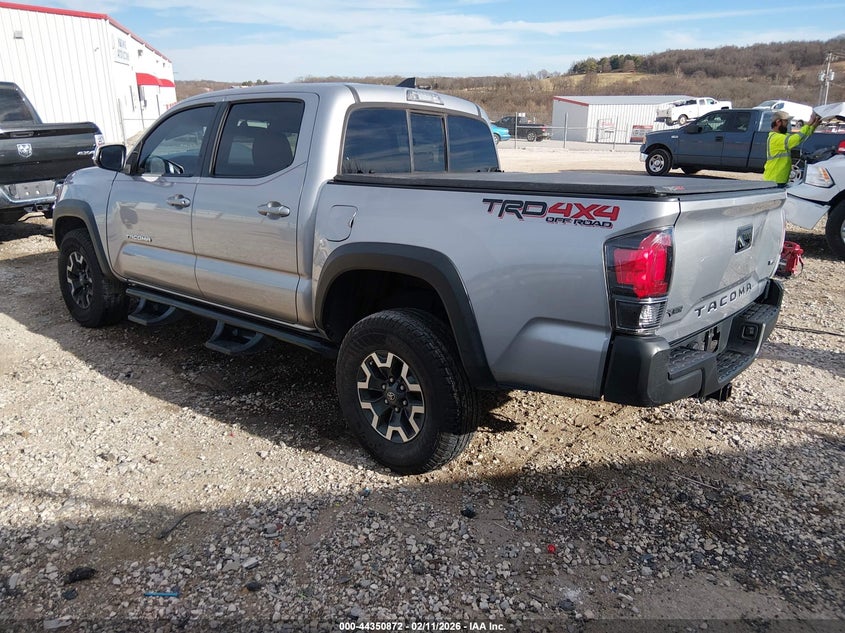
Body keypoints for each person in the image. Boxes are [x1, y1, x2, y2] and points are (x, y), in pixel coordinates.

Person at [763, 110, 823, 186]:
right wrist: (808, 123)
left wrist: (813, 126)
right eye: (786, 121)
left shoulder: (783, 136)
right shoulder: (775, 138)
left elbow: (801, 137)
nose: (788, 123)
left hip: (780, 179)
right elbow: (796, 139)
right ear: (778, 122)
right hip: (774, 179)